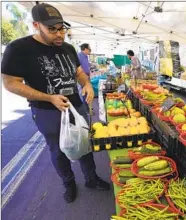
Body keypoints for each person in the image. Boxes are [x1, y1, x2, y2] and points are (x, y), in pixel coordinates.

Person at [1, 3, 110, 203]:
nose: (59, 34)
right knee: (58, 148)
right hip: (46, 111)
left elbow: (78, 72)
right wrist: (49, 97)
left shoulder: (68, 47)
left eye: (62, 29)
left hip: (76, 106)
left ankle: (91, 178)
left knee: (85, 144)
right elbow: (10, 83)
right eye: (52, 29)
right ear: (36, 25)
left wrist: (86, 84)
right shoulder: (18, 48)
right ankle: (68, 183)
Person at [77, 43, 93, 113]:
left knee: (87, 93)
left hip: (86, 77)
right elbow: (78, 69)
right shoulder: (79, 56)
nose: (90, 50)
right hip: (82, 78)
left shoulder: (86, 56)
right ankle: (86, 110)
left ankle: (88, 107)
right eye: (89, 49)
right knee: (83, 94)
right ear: (86, 49)